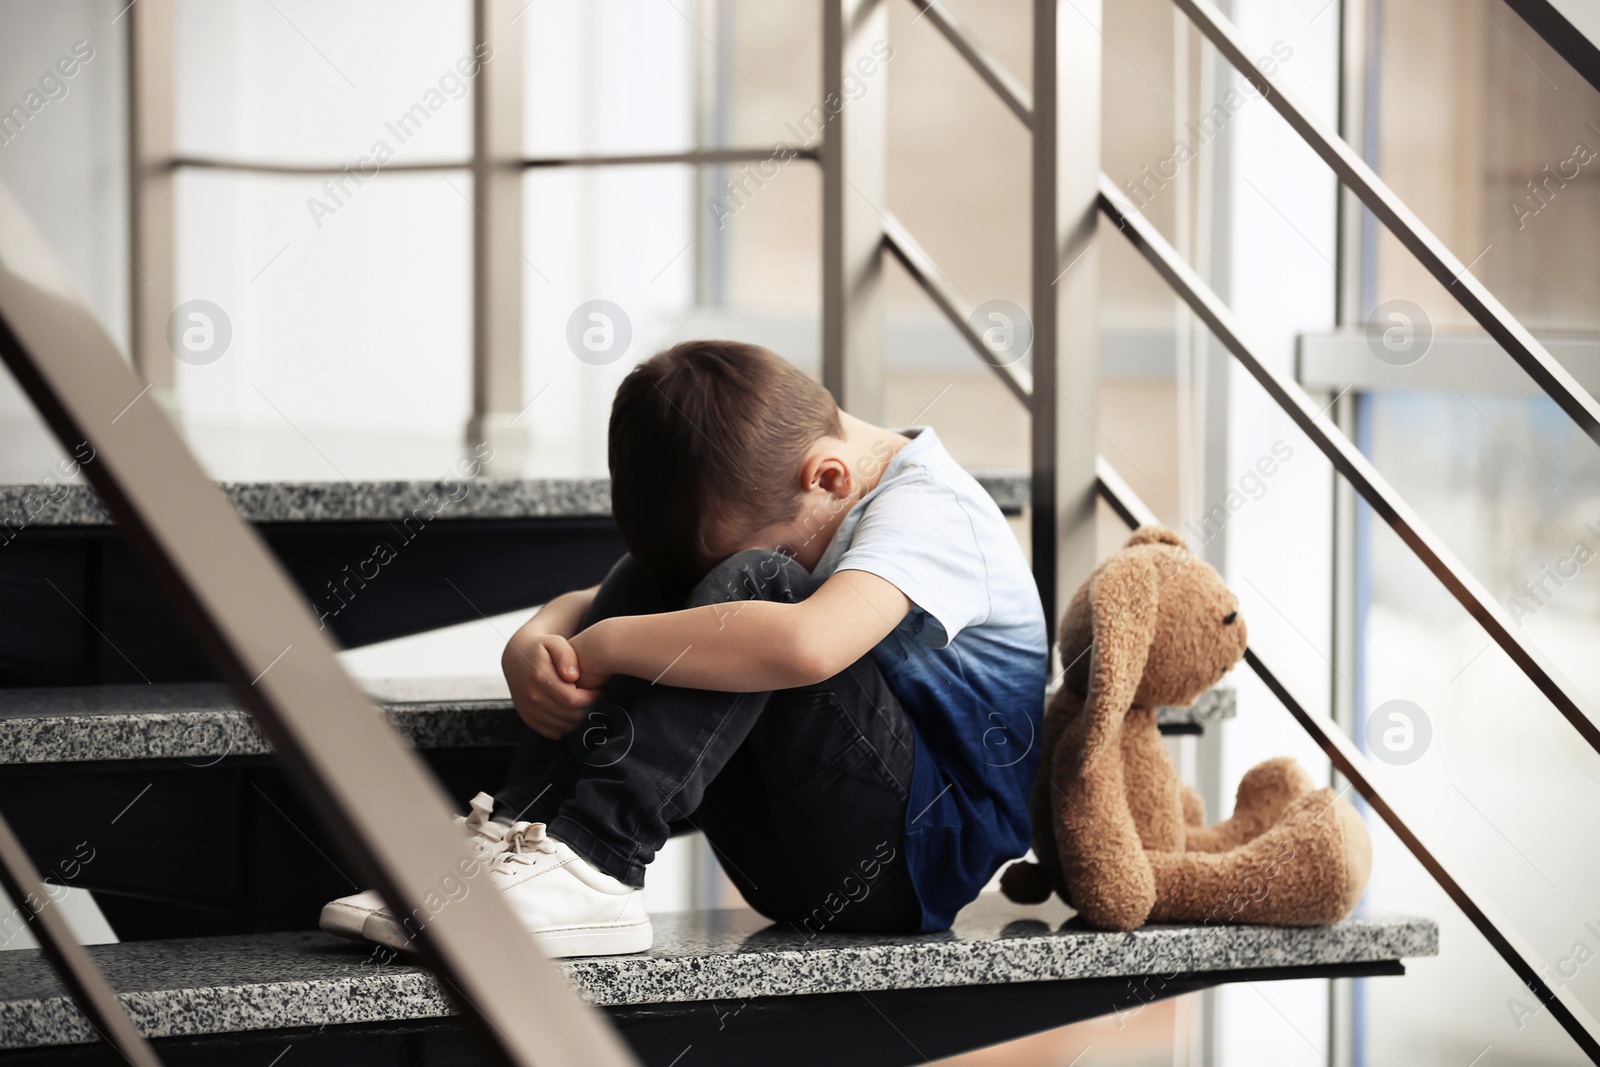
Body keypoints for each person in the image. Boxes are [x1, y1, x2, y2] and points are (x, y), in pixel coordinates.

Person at [322, 340, 1047, 957]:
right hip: (789, 845)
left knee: (758, 584)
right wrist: (542, 632)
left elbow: (808, 644)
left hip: (912, 858)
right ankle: (522, 835)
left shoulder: (933, 510)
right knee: (658, 579)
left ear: (831, 478)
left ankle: (596, 859)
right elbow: (635, 605)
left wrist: (608, 642)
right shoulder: (812, 490)